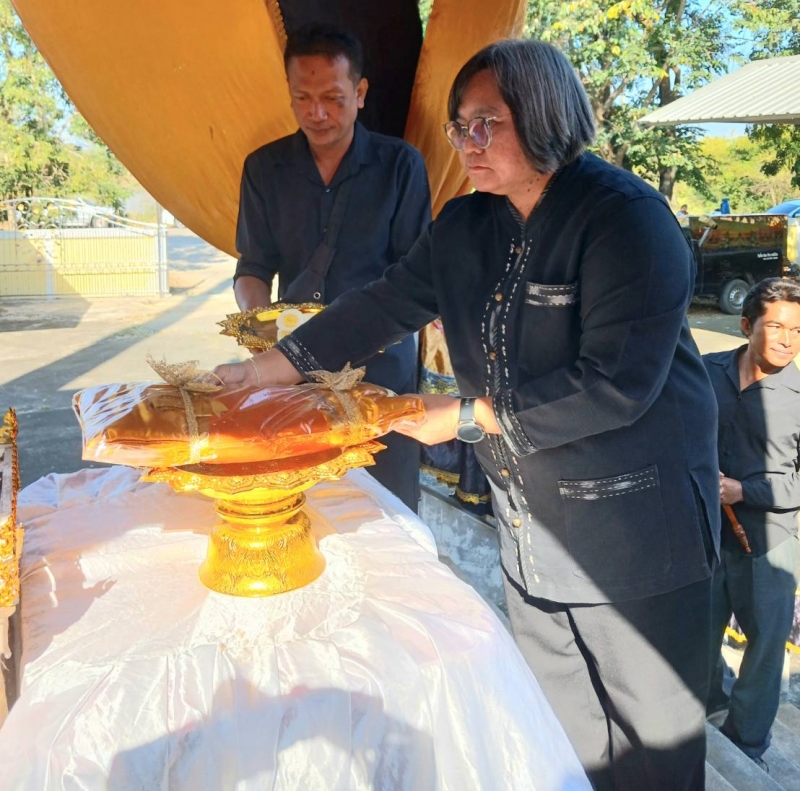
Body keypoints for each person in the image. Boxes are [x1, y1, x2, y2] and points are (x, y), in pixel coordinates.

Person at [217, 38, 720, 790]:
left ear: (545, 114)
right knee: (565, 742)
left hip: (637, 538)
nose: (468, 143)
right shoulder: (466, 225)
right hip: (532, 531)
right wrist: (261, 371)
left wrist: (463, 415)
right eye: (461, 127)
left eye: (488, 123)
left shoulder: (626, 219)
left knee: (654, 753)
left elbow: (616, 386)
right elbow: (380, 306)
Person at [233, 22, 431, 510]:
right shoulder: (264, 169)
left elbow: (416, 276)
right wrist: (258, 327)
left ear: (360, 93)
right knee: (302, 498)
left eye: (333, 98)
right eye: (302, 98)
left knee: (385, 504)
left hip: (380, 366)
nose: (317, 113)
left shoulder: (400, 166)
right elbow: (253, 265)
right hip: (293, 362)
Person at [704, 277, 800, 772]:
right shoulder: (707, 371)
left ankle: (746, 746)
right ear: (746, 326)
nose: (788, 340)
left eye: (798, 330)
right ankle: (707, 709)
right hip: (706, 533)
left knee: (763, 650)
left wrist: (745, 491)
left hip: (769, 542)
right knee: (699, 633)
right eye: (776, 327)